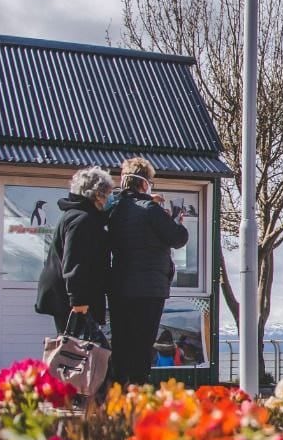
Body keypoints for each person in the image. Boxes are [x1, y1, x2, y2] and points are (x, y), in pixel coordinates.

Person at [107, 157, 188, 386]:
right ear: (145, 183)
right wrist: (176, 221)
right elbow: (177, 238)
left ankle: (118, 389)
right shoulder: (152, 211)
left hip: (119, 285)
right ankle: (138, 388)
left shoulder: (115, 208)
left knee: (121, 340)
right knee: (142, 342)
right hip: (149, 288)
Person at [35, 167, 114, 335]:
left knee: (74, 349)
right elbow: (74, 262)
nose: (108, 198)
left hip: (67, 296)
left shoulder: (77, 214)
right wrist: (78, 301)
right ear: (97, 195)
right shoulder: (83, 220)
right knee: (75, 351)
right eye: (106, 194)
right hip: (73, 301)